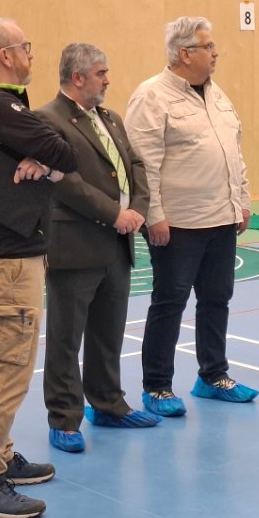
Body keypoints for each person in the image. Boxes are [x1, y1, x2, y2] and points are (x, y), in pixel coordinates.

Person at [0, 17, 77, 518]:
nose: (31, 53)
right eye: (25, 46)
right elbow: (65, 149)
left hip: (12, 253)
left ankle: (1, 455)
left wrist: (44, 163)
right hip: (5, 259)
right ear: (4, 55)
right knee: (7, 370)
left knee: (7, 363)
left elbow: (54, 155)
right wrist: (50, 161)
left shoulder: (2, 104)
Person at [125, 16, 258, 417]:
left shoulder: (218, 95)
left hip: (221, 217)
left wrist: (242, 200)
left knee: (217, 299)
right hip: (177, 223)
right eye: (208, 46)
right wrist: (153, 215)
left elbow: (234, 152)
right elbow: (141, 163)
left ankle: (213, 376)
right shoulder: (152, 96)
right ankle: (157, 386)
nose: (216, 52)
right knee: (170, 302)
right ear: (185, 53)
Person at [35, 43, 161, 454]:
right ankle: (64, 418)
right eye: (101, 73)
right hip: (75, 245)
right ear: (78, 77)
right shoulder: (48, 120)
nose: (107, 80)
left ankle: (108, 404)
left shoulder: (111, 118)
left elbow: (135, 165)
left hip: (116, 244)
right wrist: (114, 213)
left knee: (108, 332)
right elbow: (64, 182)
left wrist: (137, 209)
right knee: (66, 338)